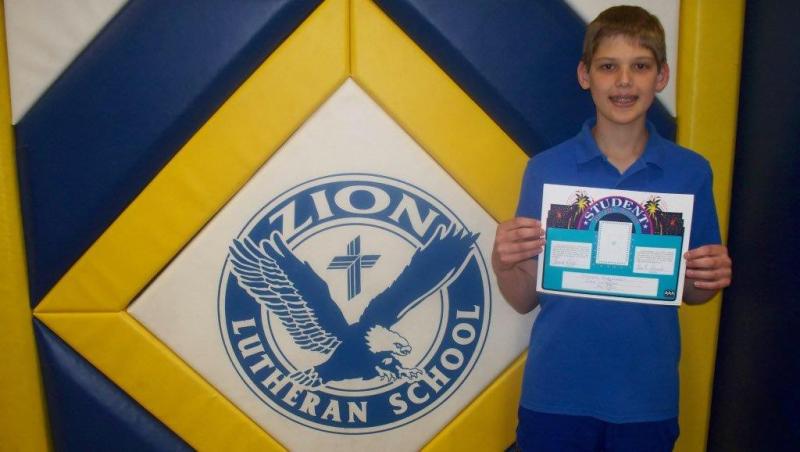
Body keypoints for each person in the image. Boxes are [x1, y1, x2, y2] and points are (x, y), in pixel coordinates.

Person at [492, 6, 732, 452]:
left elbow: (691, 291)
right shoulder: (546, 170)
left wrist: (710, 277)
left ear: (661, 76)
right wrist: (504, 261)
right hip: (556, 393)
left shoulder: (691, 172)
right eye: (608, 67)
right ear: (585, 76)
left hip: (647, 398)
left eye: (640, 66)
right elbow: (524, 298)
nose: (624, 81)